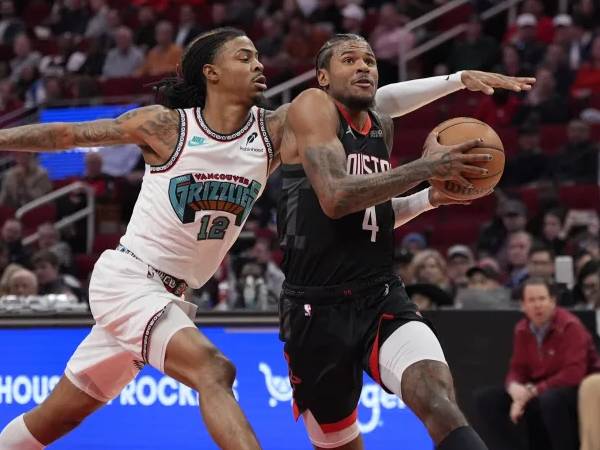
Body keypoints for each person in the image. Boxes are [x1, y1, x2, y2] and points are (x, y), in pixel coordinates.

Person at [0, 27, 287, 450]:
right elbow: (66, 136)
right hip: (131, 281)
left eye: (258, 56)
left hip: (171, 297)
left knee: (51, 421)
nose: (259, 64)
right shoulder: (165, 126)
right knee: (213, 369)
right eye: (244, 57)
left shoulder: (270, 135)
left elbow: (372, 106)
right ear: (211, 72)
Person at [277, 33, 534, 450]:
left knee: (438, 398)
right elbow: (337, 197)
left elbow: (374, 215)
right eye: (350, 60)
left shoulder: (380, 125)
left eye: (370, 60)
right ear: (322, 76)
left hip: (380, 295)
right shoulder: (312, 107)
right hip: (314, 309)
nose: (364, 66)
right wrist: (425, 168)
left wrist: (428, 197)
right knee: (338, 442)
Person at [476, 277, 600, 450]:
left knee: (550, 400)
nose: (537, 305)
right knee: (486, 399)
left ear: (553, 301)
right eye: (531, 300)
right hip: (539, 388)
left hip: (575, 388)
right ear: (523, 305)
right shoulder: (522, 329)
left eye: (542, 299)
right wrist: (514, 388)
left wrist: (533, 391)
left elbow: (573, 373)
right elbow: (517, 368)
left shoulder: (570, 326)